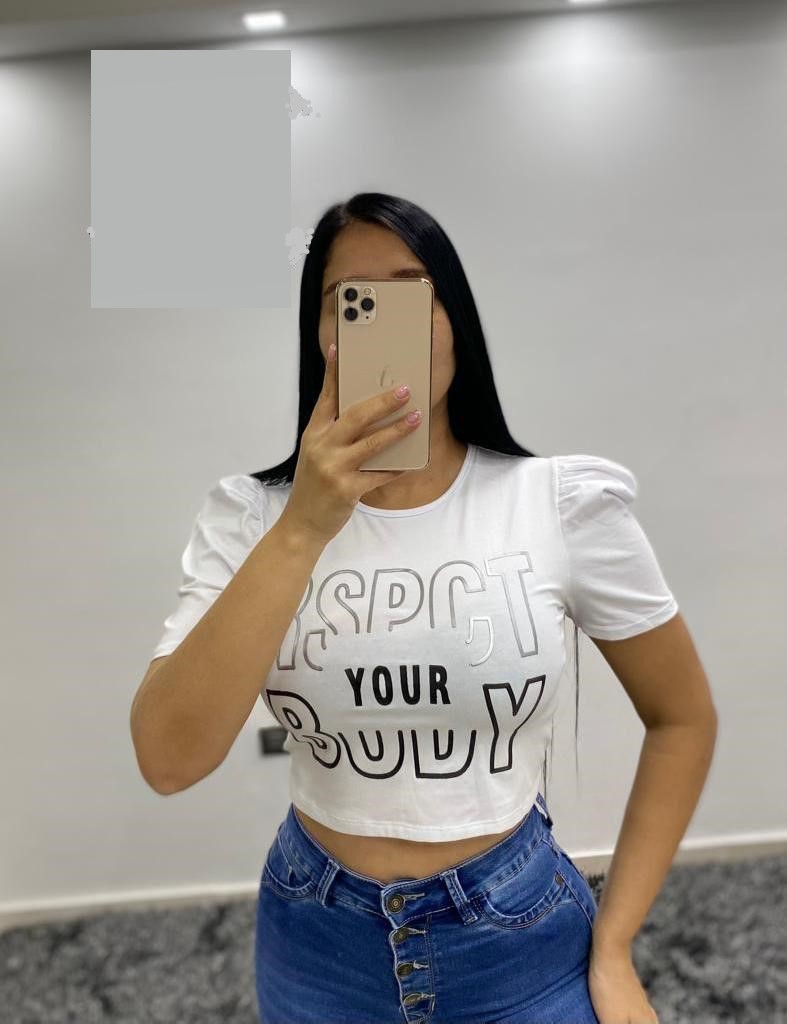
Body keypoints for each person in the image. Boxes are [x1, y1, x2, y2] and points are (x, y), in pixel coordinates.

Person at [131, 192, 717, 1024]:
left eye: (410, 294)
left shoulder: (560, 505)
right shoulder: (249, 519)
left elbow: (682, 716)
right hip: (316, 939)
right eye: (352, 302)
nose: (384, 326)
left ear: (454, 322)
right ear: (321, 336)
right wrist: (305, 525)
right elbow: (168, 759)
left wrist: (616, 944)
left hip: (518, 935)